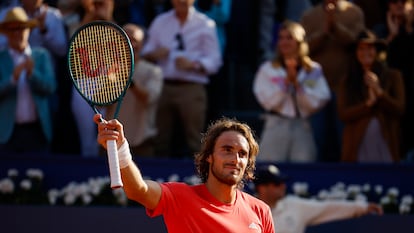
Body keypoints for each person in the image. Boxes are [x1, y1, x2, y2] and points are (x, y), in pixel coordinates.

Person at [93, 113, 275, 232]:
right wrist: (121, 149)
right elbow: (138, 190)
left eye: (242, 154)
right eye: (227, 150)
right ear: (209, 156)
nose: (235, 159)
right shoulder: (179, 197)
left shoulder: (260, 211)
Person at [141, 0, 222, 158]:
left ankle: (198, 179)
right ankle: (158, 179)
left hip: (192, 87)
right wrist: (155, 54)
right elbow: (145, 52)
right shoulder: (160, 22)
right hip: (163, 86)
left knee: (196, 139)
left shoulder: (206, 24)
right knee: (159, 137)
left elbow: (215, 60)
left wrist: (194, 65)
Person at [253, 21, 331, 162]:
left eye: (289, 38)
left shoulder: (312, 70)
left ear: (299, 41)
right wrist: (286, 84)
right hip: (276, 124)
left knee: (304, 167)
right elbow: (267, 100)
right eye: (281, 38)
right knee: (270, 170)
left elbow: (320, 98)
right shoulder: (268, 68)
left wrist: (298, 86)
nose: (284, 42)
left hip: (302, 125)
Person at [300, 0, 365, 162]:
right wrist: (323, 33)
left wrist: (335, 26)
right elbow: (302, 46)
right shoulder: (309, 15)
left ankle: (347, 180)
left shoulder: (354, 12)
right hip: (315, 88)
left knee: (344, 138)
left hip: (345, 86)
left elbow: (357, 42)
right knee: (318, 137)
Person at [337, 29, 405, 163]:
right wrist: (367, 105)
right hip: (356, 142)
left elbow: (399, 109)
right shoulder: (347, 80)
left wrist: (379, 92)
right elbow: (343, 114)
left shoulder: (393, 76)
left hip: (387, 140)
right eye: (361, 49)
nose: (365, 53)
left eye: (370, 48)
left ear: (377, 51)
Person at [254, 164, 384, 233]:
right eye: (277, 184)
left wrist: (362, 207)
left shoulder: (295, 205)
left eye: (282, 182)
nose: (283, 186)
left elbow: (327, 208)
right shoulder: (246, 208)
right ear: (262, 188)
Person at [0, 7, 56, 154]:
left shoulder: (41, 56)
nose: (17, 33)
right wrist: (13, 79)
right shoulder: (1, 59)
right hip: (8, 134)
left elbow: (51, 87)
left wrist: (33, 74)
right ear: (6, 33)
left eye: (21, 28)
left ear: (29, 30)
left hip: (38, 132)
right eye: (13, 30)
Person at [104, 23, 163, 157]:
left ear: (142, 45)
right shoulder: (108, 71)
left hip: (142, 144)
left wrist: (128, 80)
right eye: (125, 38)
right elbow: (101, 102)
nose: (130, 44)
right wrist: (109, 80)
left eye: (134, 40)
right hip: (112, 143)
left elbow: (149, 98)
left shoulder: (153, 71)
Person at [70, 0, 116, 157]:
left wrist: (106, 15)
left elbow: (122, 45)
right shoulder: (78, 25)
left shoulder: (114, 28)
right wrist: (90, 13)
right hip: (83, 84)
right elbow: (72, 44)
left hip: (107, 85)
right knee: (87, 141)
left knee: (107, 134)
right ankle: (90, 179)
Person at [372, 0, 414, 160]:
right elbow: (376, 62)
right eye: (394, 2)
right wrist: (392, 36)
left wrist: (409, 30)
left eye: (404, 2)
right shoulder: (380, 29)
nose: (399, 5)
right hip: (392, 98)